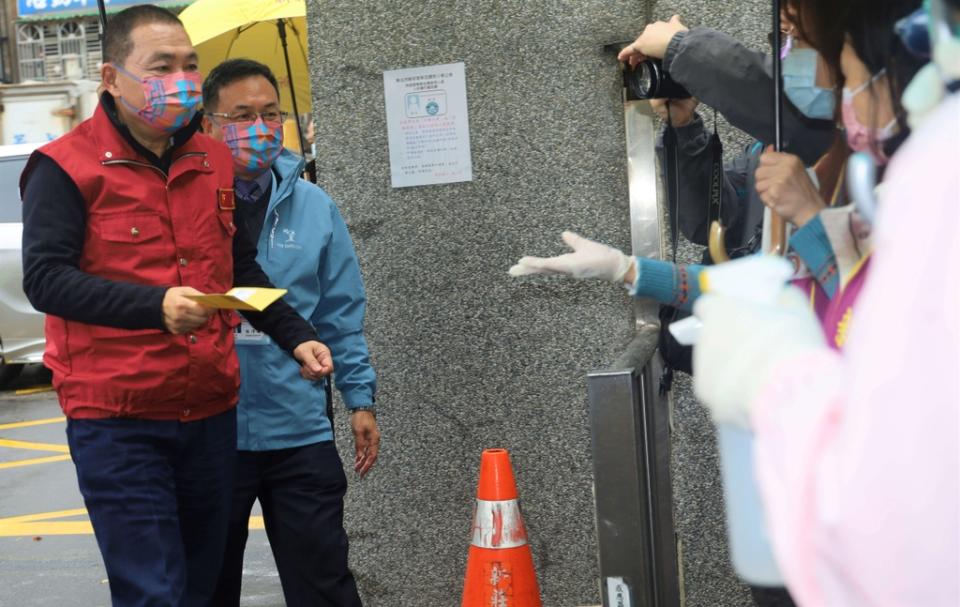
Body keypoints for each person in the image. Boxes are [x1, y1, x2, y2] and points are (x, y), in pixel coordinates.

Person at [19, 6, 333, 605]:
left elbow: (239, 270)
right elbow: (47, 280)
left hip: (209, 413)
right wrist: (155, 306)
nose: (182, 79)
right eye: (161, 66)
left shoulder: (214, 158)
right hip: (118, 418)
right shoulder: (64, 167)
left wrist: (295, 334)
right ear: (111, 77)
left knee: (201, 588)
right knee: (153, 592)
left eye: (190, 65)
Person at [691, 1, 960, 602]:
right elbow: (735, 258)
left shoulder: (924, 176)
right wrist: (633, 272)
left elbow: (890, 519)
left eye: (841, 70)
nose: (841, 98)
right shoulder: (834, 166)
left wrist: (777, 375)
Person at [200, 59, 378, 607]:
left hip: (298, 427)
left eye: (271, 114)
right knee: (205, 586)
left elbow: (341, 311)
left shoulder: (315, 206)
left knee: (324, 583)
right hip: (211, 428)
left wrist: (359, 398)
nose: (261, 127)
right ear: (208, 126)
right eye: (242, 116)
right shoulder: (190, 205)